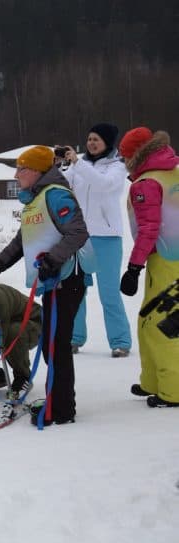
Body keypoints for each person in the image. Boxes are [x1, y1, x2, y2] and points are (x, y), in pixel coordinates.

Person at [0, 145, 88, 425]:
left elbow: (78, 232)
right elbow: (23, 242)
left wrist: (53, 260)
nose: (17, 174)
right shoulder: (35, 200)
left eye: (22, 169)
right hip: (51, 282)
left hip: (66, 279)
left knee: (55, 345)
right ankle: (57, 398)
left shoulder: (56, 195)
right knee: (51, 343)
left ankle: (62, 409)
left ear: (37, 171)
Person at [117, 127, 179, 408]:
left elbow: (149, 230)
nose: (122, 161)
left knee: (162, 325)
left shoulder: (146, 183)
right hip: (170, 258)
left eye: (123, 156)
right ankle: (152, 380)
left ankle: (172, 390)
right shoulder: (173, 172)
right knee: (147, 320)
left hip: (166, 261)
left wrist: (133, 268)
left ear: (135, 155)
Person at [62, 123, 132, 357]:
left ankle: (120, 341)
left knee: (109, 293)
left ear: (108, 142)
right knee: (76, 290)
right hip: (81, 237)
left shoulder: (116, 167)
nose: (92, 143)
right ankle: (75, 337)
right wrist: (58, 166)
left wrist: (78, 164)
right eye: (89, 138)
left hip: (107, 237)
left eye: (97, 139)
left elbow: (103, 186)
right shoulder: (78, 166)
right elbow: (63, 185)